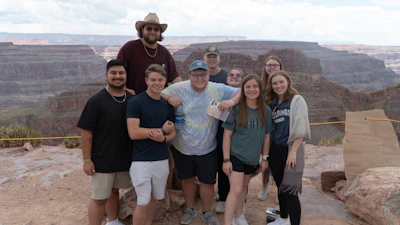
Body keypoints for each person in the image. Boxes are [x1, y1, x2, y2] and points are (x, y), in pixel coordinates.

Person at [161, 60, 240, 225]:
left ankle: (207, 211)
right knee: (187, 179)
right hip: (182, 147)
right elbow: (159, 92)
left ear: (208, 75)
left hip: (207, 147)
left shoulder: (217, 89)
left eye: (203, 74)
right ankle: (190, 208)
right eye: (195, 74)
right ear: (189, 75)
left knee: (207, 182)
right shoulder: (180, 87)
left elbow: (241, 91)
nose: (199, 78)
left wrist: (231, 102)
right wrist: (169, 98)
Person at [77, 59, 133, 225]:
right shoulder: (96, 100)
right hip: (101, 160)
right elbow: (86, 133)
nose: (117, 76)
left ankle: (113, 221)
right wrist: (87, 160)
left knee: (114, 191)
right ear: (106, 75)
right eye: (113, 73)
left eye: (121, 73)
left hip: (123, 160)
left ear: (126, 75)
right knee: (99, 199)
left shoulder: (131, 99)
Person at [126, 64, 177, 225]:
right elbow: (133, 132)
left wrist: (163, 138)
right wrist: (161, 131)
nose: (157, 83)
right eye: (153, 80)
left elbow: (173, 132)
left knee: (156, 198)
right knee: (142, 200)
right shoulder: (136, 102)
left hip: (161, 159)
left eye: (160, 80)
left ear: (165, 81)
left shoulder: (167, 105)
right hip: (141, 160)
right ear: (146, 80)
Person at [222, 74, 274, 225]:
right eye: (248, 87)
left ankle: (239, 216)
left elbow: (266, 136)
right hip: (236, 155)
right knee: (236, 190)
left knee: (244, 187)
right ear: (243, 90)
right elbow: (226, 136)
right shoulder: (236, 110)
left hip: (252, 158)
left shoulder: (266, 110)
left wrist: (264, 158)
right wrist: (226, 160)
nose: (252, 90)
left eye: (255, 86)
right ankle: (227, 222)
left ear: (260, 89)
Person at [266, 71, 311, 225]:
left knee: (291, 190)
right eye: (275, 83)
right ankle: (283, 218)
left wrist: (292, 152)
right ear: (271, 86)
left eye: (281, 82)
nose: (278, 86)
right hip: (275, 149)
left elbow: (301, 128)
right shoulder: (272, 104)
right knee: (281, 187)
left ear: (288, 82)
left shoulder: (297, 100)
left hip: (291, 149)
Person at [116, 12, 182, 95]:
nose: (152, 32)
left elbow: (174, 77)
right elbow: (116, 71)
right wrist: (123, 89)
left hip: (159, 102)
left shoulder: (164, 52)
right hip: (133, 101)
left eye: (156, 29)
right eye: (149, 28)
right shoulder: (129, 48)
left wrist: (185, 93)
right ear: (142, 30)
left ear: (160, 32)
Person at [215, 68, 245, 214]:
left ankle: (241, 202)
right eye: (231, 75)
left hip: (239, 140)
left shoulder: (246, 95)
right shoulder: (220, 93)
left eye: (238, 75)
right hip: (221, 137)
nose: (234, 77)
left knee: (240, 172)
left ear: (242, 79)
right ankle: (222, 198)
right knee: (223, 170)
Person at [258, 55, 285, 201]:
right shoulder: (261, 87)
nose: (272, 67)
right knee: (265, 160)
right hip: (265, 131)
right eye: (269, 65)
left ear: (280, 67)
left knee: (279, 163)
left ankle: (280, 190)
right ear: (265, 67)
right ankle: (264, 187)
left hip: (281, 131)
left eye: (275, 65)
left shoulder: (284, 86)